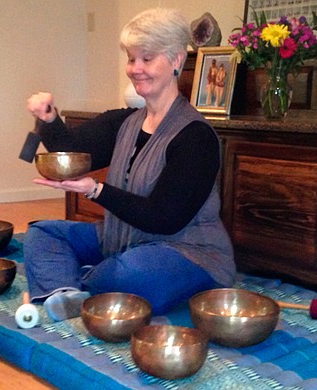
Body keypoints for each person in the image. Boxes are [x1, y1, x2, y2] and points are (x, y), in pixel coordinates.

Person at [23, 8, 235, 321]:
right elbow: (71, 150)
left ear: (177, 60)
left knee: (131, 274)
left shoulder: (195, 137)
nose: (135, 69)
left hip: (186, 251)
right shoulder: (124, 122)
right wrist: (49, 118)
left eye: (147, 59)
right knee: (42, 234)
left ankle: (74, 282)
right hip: (120, 239)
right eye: (131, 58)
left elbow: (164, 219)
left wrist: (97, 190)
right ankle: (68, 294)